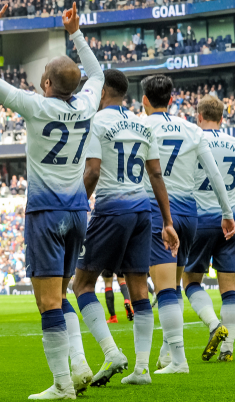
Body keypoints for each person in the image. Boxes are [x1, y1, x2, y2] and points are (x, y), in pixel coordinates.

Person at [0, 2, 103, 400]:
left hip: (46, 214)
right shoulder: (86, 105)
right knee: (60, 295)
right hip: (78, 210)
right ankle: (77, 368)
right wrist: (76, 33)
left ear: (46, 84)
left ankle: (63, 386)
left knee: (47, 302)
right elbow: (97, 74)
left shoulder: (35, 106)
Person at [73, 68, 179, 387]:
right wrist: (168, 222)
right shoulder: (143, 125)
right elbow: (157, 176)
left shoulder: (97, 122)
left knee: (82, 285)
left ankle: (111, 352)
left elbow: (92, 172)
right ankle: (142, 369)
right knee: (138, 289)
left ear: (103, 92)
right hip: (142, 210)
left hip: (111, 208)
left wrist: (76, 207)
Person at [141, 75, 235, 375]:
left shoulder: (141, 126)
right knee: (176, 287)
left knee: (165, 289)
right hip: (189, 213)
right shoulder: (192, 129)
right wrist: (227, 212)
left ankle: (179, 361)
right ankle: (168, 355)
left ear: (145, 100)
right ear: (171, 100)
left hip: (159, 210)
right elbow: (215, 174)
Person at [183, 95, 235, 362]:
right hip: (231, 221)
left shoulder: (193, 141)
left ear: (198, 116)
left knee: (190, 281)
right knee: (229, 288)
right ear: (222, 118)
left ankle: (214, 324)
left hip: (199, 219)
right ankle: (228, 349)